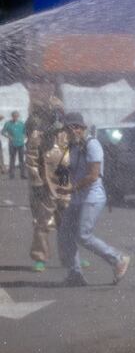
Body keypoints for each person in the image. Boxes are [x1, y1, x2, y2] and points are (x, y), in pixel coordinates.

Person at [57, 112, 130, 287]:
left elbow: (93, 175)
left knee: (83, 235)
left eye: (67, 129)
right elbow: (67, 170)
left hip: (92, 197)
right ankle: (75, 274)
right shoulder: (72, 146)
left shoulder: (92, 145)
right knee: (65, 234)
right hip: (76, 197)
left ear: (78, 128)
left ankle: (118, 259)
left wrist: (71, 188)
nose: (65, 133)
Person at [25, 98, 72, 272]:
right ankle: (40, 258)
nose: (56, 115)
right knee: (42, 223)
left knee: (68, 223)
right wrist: (36, 182)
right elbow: (31, 160)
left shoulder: (67, 134)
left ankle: (71, 257)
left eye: (59, 110)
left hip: (65, 184)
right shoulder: (38, 135)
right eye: (53, 111)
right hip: (46, 185)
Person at [2, 109, 27, 179]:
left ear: (18, 116)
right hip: (12, 144)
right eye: (14, 116)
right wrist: (9, 136)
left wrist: (24, 137)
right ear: (12, 116)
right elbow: (2, 132)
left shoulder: (21, 123)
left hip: (21, 144)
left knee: (21, 159)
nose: (15, 117)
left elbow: (25, 132)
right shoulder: (8, 123)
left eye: (16, 116)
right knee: (12, 159)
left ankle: (23, 174)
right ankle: (11, 175)